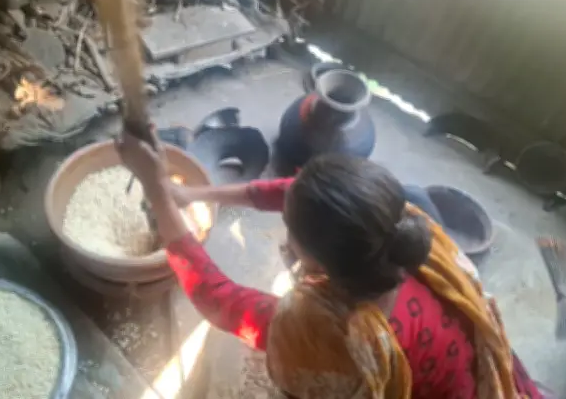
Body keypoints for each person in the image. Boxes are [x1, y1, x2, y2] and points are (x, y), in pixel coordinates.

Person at [116, 128, 544, 399]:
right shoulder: (400, 223)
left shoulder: (330, 331)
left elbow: (218, 298)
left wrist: (157, 191)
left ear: (318, 265)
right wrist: (191, 196)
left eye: (291, 233)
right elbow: (297, 192)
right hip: (468, 369)